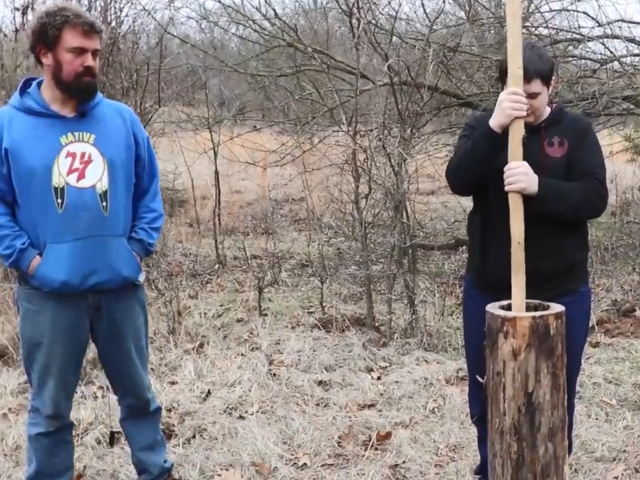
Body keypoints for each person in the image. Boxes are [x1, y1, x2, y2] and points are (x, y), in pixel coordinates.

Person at [0, 4, 174, 480]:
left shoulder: (121, 121)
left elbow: (148, 192)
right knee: (50, 410)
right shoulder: (8, 127)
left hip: (120, 288)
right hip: (48, 294)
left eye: (95, 53)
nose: (90, 62)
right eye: (78, 51)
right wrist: (31, 262)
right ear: (45, 54)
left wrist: (135, 249)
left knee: (139, 396)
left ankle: (156, 472)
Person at [445, 41, 608, 479]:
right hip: (490, 289)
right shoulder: (483, 128)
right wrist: (496, 126)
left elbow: (595, 197)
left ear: (552, 87)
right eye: (516, 94)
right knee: (487, 391)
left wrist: (539, 186)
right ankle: (492, 468)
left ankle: (549, 468)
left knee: (555, 392)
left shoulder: (574, 130)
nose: (526, 104)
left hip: (561, 292)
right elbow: (458, 180)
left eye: (533, 95)